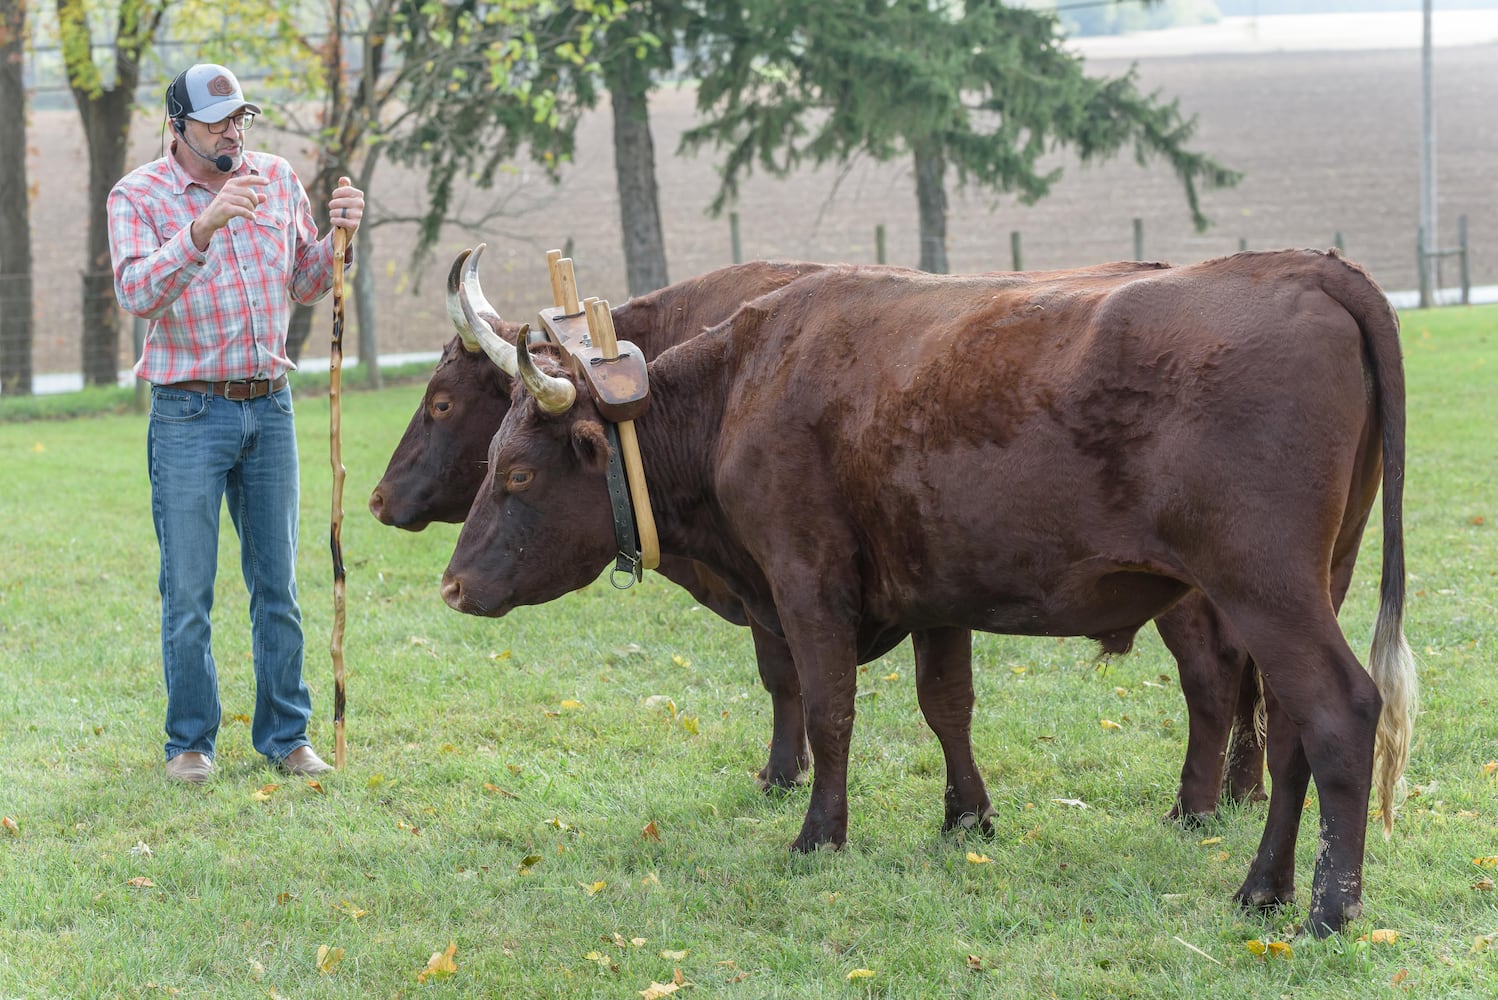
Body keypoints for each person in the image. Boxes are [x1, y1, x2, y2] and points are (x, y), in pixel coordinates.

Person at [107, 63, 364, 783]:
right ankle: (190, 742)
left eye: (240, 118)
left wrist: (340, 238)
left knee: (277, 584)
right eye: (218, 119)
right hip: (188, 411)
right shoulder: (138, 195)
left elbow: (307, 280)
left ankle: (287, 737)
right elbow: (137, 293)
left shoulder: (278, 178)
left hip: (270, 407)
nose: (233, 131)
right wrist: (203, 226)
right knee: (188, 590)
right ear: (178, 124)